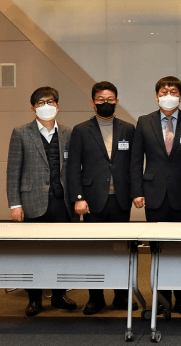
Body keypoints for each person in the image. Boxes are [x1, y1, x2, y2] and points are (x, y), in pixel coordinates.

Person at [130, 76, 181, 314]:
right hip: (154, 194)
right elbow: (135, 160)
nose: (168, 95)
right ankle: (162, 300)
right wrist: (137, 191)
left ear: (180, 96)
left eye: (173, 92)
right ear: (157, 96)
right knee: (157, 250)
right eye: (164, 92)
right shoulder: (144, 122)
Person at [66, 81, 137, 315]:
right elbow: (73, 167)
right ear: (92, 102)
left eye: (110, 100)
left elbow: (134, 165)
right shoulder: (81, 130)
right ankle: (96, 298)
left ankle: (121, 295)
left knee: (121, 250)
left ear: (116, 101)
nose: (105, 103)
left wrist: (136, 192)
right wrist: (78, 197)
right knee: (95, 251)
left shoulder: (128, 129)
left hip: (120, 200)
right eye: (100, 100)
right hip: (92, 200)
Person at [6, 86, 77, 316]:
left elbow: (73, 169)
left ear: (57, 105)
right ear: (33, 108)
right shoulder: (21, 133)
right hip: (32, 202)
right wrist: (15, 204)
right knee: (34, 252)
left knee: (61, 251)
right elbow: (13, 171)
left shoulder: (67, 132)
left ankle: (59, 295)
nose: (46, 106)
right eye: (40, 103)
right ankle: (34, 298)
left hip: (62, 202)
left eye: (50, 102)